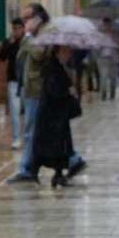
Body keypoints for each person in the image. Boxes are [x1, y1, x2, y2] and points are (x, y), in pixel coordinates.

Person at [9, 4, 86, 184]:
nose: (24, 22)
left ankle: (27, 168)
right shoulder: (40, 32)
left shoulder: (45, 32)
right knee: (37, 131)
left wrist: (27, 36)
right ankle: (70, 159)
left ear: (38, 17)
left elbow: (37, 54)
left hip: (38, 88)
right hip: (31, 87)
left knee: (33, 130)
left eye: (27, 17)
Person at [29, 44, 81, 187]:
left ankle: (58, 175)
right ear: (59, 52)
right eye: (66, 51)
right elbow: (53, 92)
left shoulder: (62, 66)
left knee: (60, 148)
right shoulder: (52, 67)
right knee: (54, 147)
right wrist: (68, 92)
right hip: (52, 116)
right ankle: (35, 168)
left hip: (59, 115)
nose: (68, 54)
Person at [0, 18, 27, 150]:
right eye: (14, 29)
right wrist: (9, 44)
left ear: (23, 28)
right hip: (13, 81)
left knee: (27, 111)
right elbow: (1, 57)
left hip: (27, 81)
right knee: (14, 111)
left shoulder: (27, 42)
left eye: (18, 28)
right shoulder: (9, 42)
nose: (16, 31)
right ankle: (16, 138)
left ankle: (27, 137)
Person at [96, 19, 119, 100]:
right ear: (103, 25)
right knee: (103, 77)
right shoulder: (100, 35)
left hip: (113, 58)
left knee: (113, 77)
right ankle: (103, 94)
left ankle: (112, 93)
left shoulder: (116, 34)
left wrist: (113, 44)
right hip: (103, 58)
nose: (107, 27)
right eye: (106, 25)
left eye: (109, 25)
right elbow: (96, 47)